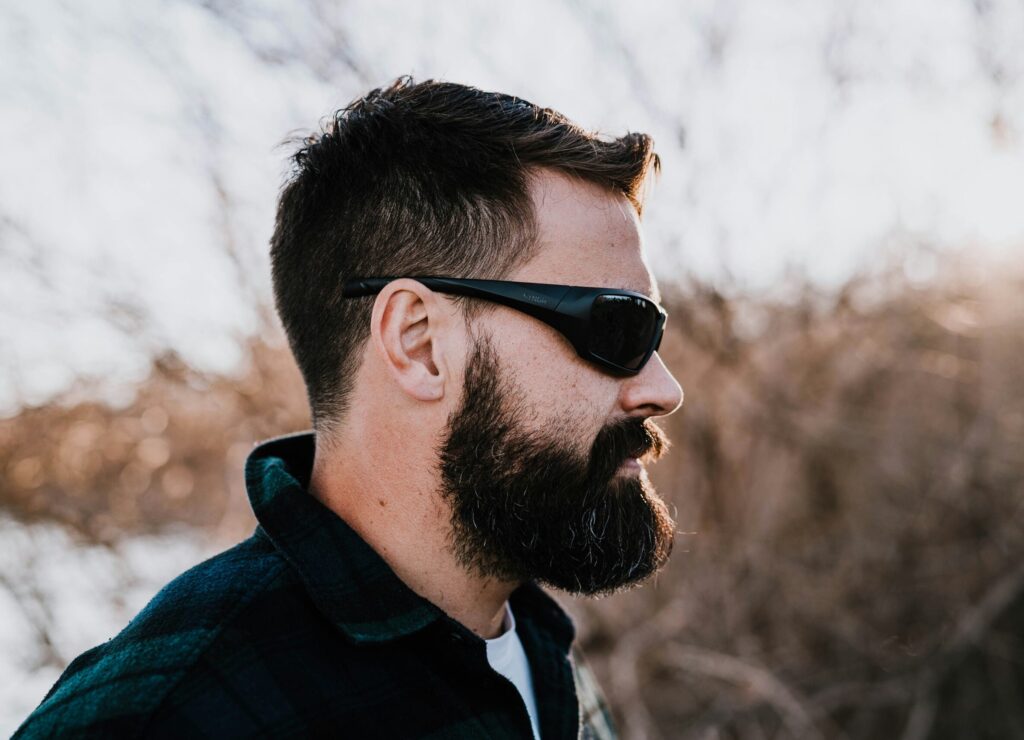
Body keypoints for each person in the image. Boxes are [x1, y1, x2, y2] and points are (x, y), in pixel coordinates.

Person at [16, 77, 684, 739]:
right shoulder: (170, 714)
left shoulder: (539, 646)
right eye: (616, 329)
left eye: (652, 333)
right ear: (419, 344)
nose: (663, 388)